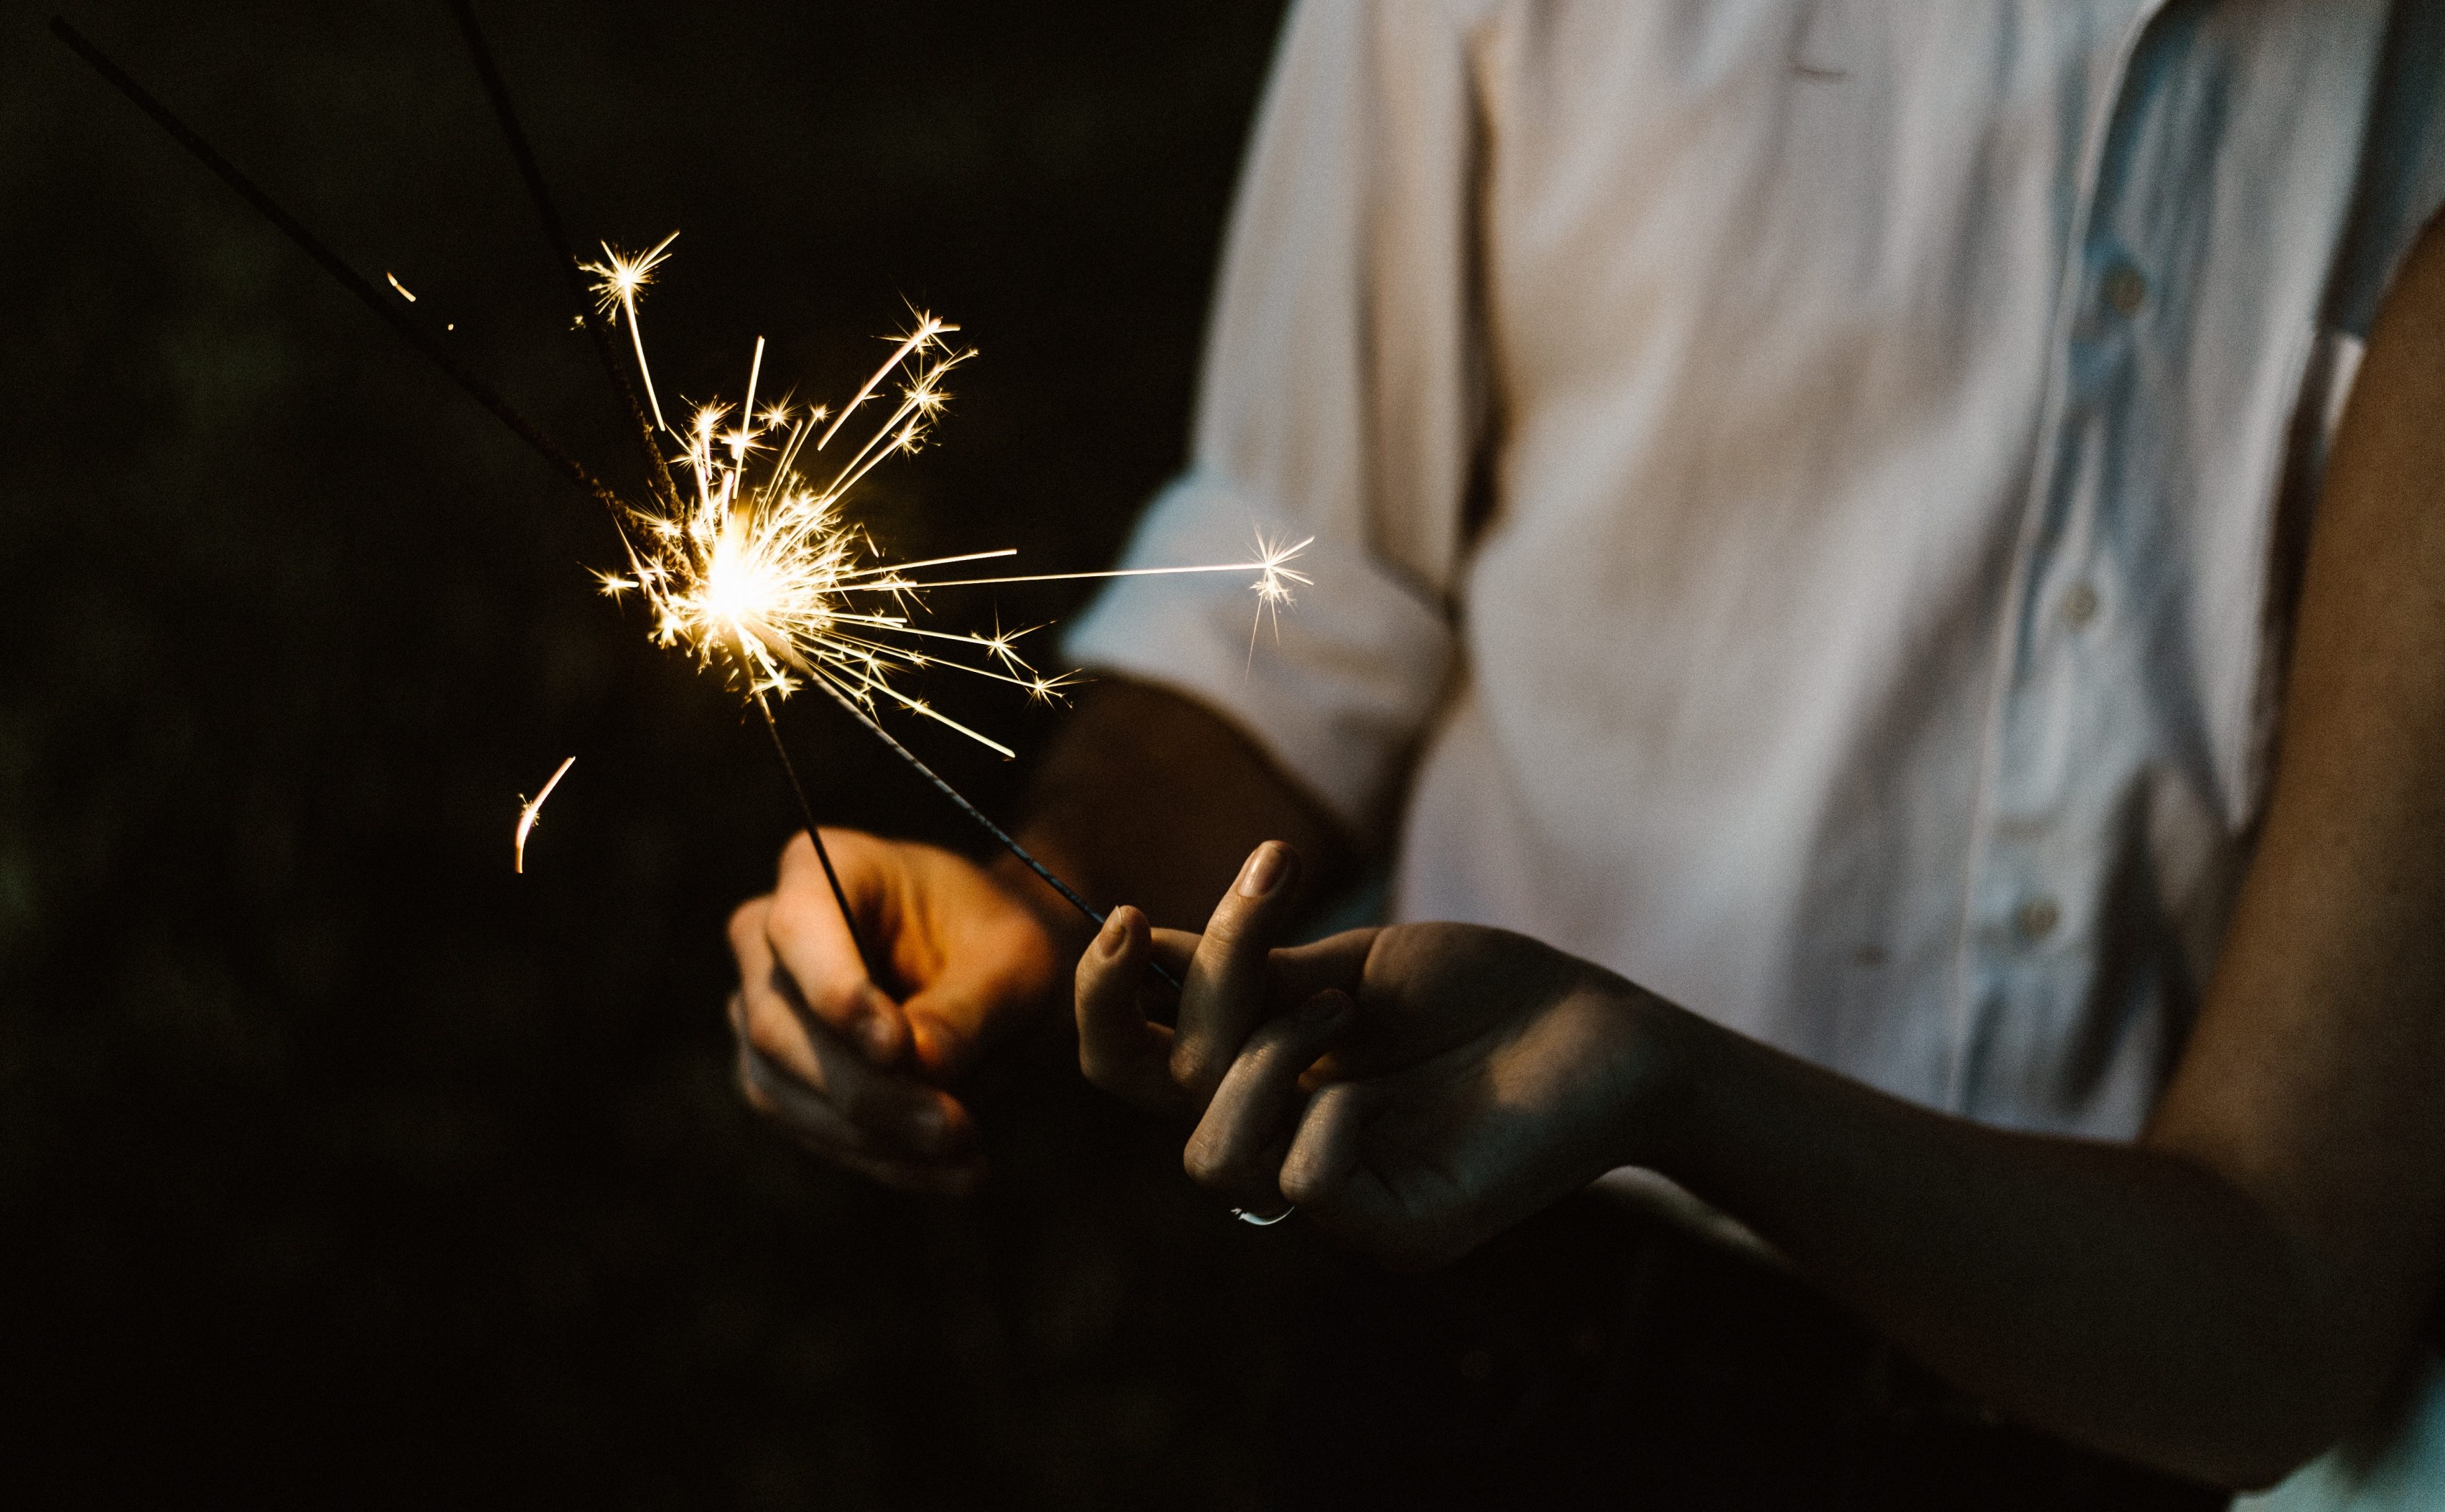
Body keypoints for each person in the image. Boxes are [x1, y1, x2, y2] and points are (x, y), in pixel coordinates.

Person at [725, 3, 2445, 1502]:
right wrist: (1054, 899)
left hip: (2145, 1414)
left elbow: (2280, 1280)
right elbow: (1306, 589)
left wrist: (1674, 1077)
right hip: (1503, 1330)